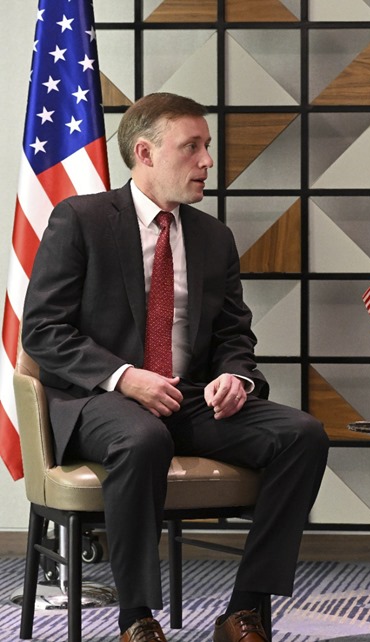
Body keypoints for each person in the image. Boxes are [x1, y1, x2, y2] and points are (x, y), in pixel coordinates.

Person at [22, 92, 329, 642]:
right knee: (142, 439)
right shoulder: (82, 220)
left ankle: (244, 611)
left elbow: (235, 335)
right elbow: (42, 331)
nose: (207, 161)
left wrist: (236, 377)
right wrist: (123, 377)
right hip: (99, 400)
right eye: (192, 147)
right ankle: (136, 618)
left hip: (185, 397)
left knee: (301, 434)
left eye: (207, 147)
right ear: (145, 152)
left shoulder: (214, 237)